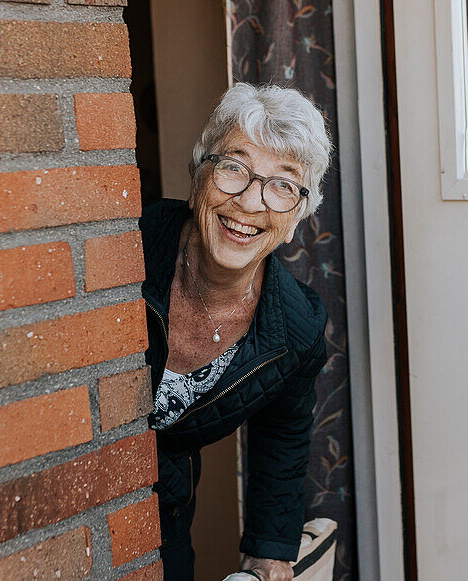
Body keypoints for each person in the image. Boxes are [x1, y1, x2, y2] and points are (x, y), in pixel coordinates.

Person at [141, 82, 332, 581]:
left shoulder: (297, 327)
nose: (250, 201)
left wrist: (271, 546)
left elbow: (284, 432)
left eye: (283, 184)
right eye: (233, 167)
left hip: (165, 508)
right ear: (199, 175)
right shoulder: (126, 244)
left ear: (295, 220)